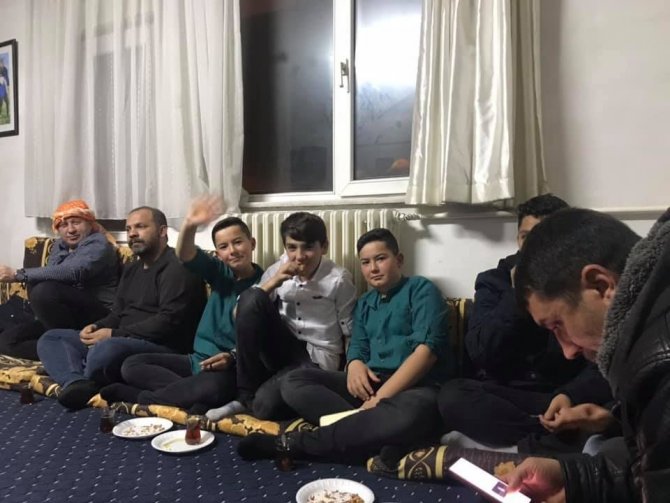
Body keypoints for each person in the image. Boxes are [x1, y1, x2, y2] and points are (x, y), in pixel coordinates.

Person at [236, 228, 452, 464]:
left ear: (398, 260)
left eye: (381, 259)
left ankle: (292, 444)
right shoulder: (365, 302)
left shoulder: (421, 290)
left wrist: (379, 400)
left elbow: (425, 354)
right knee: (294, 381)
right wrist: (355, 364)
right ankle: (374, 438)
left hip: (416, 388)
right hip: (371, 385)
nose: (373, 268)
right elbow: (357, 345)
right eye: (366, 262)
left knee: (410, 414)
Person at [501, 208, 670, 503]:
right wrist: (574, 478)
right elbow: (652, 464)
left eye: (557, 325)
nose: (568, 351)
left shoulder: (658, 366)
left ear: (601, 286)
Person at [438, 194, 613, 455]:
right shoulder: (493, 281)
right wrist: (516, 294)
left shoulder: (586, 281)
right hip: (509, 396)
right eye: (526, 237)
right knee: (452, 397)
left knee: (615, 403)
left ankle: (519, 446)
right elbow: (481, 351)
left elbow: (604, 358)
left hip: (563, 393)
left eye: (544, 237)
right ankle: (552, 440)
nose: (533, 247)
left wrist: (570, 395)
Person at [100, 196, 263, 412]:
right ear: (218, 254)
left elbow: (263, 343)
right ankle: (190, 396)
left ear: (252, 243)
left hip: (229, 367)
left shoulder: (266, 284)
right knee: (132, 365)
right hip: (196, 361)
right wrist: (190, 223)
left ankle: (143, 397)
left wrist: (232, 357)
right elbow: (185, 254)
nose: (232, 251)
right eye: (224, 247)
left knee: (215, 387)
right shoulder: (220, 273)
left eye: (238, 242)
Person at [37, 206, 206, 410]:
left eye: (140, 227)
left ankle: (80, 372)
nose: (132, 233)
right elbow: (117, 313)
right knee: (53, 338)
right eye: (128, 229)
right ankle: (77, 382)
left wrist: (114, 334)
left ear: (162, 231)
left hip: (161, 346)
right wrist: (97, 326)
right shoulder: (132, 268)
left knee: (106, 349)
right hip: (123, 340)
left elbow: (169, 322)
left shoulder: (178, 267)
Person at [206, 212, 357, 421]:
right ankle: (243, 397)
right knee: (252, 296)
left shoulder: (339, 279)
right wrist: (275, 281)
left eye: (308, 247)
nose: (299, 256)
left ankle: (274, 394)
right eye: (292, 248)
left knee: (263, 407)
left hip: (316, 357)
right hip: (282, 348)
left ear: (323, 247)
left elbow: (351, 332)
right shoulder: (278, 269)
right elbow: (241, 312)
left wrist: (349, 374)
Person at [0, 199, 119, 360]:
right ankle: (69, 351)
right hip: (64, 317)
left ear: (90, 223)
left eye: (76, 222)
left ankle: (69, 346)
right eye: (63, 225)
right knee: (7, 341)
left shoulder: (98, 243)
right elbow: (51, 274)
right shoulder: (60, 245)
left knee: (44, 291)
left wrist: (17, 274)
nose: (70, 230)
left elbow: (73, 272)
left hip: (97, 316)